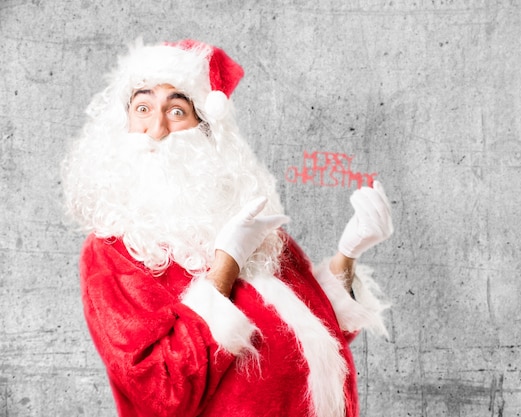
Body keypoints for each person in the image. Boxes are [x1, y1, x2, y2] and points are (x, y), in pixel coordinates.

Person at [61, 38, 393, 417]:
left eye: (176, 111)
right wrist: (226, 267)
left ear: (205, 129)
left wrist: (348, 255)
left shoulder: (246, 219)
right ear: (124, 123)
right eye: (143, 108)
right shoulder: (112, 252)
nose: (157, 129)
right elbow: (161, 393)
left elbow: (316, 336)